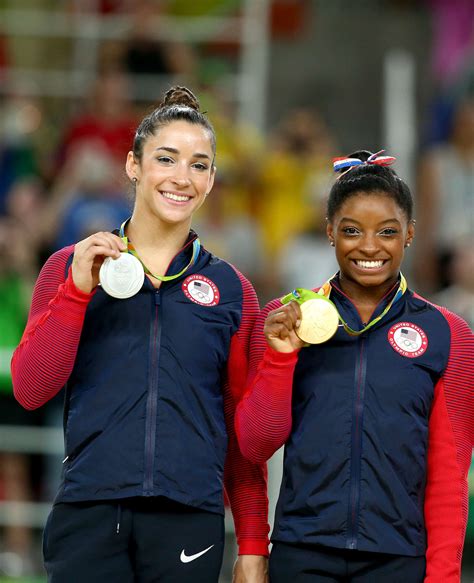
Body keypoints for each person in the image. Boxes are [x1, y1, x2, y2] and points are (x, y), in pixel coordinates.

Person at [11, 86, 269, 583]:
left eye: (198, 165)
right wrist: (76, 293)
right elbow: (29, 389)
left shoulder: (233, 291)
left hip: (188, 518)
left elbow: (242, 437)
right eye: (166, 159)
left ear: (212, 179)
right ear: (133, 165)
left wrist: (253, 543)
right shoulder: (70, 266)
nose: (181, 178)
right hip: (88, 511)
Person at [235, 150, 473, 582]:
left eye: (386, 231)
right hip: (302, 552)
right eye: (351, 230)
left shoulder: (447, 334)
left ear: (410, 234)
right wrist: (280, 357)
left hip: (398, 559)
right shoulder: (285, 319)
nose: (368, 246)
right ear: (329, 232)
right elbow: (254, 445)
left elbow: (449, 474)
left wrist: (444, 576)